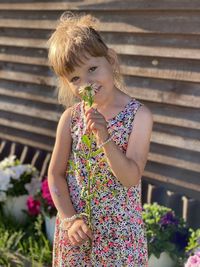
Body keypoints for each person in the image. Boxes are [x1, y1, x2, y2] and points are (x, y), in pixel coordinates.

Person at [47, 12, 153, 267]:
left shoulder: (139, 116)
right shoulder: (70, 119)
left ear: (111, 61)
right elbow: (56, 175)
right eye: (75, 78)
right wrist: (70, 219)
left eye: (92, 69)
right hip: (78, 237)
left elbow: (130, 177)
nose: (86, 83)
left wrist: (103, 136)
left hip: (120, 239)